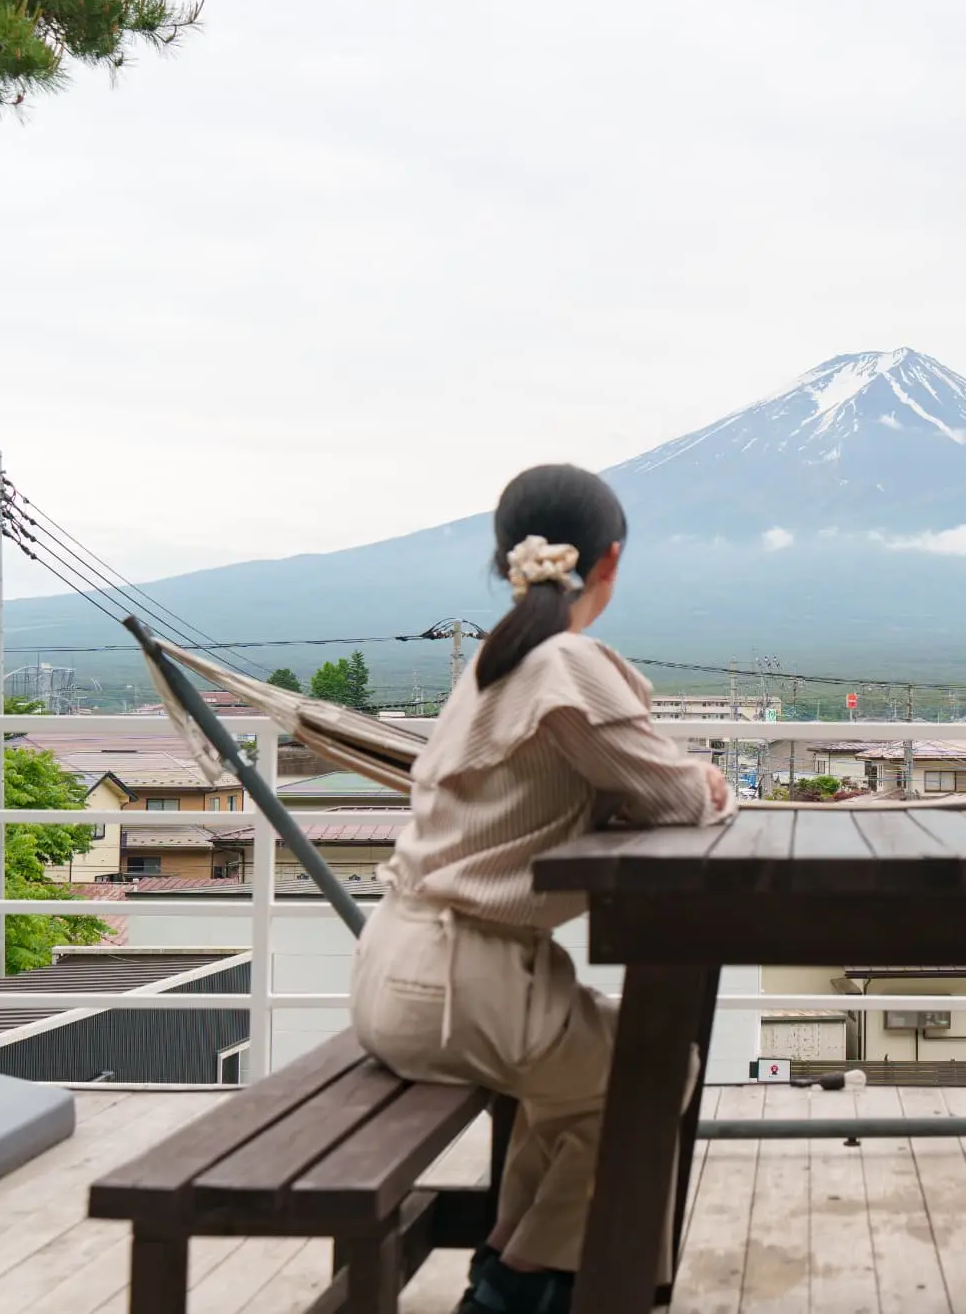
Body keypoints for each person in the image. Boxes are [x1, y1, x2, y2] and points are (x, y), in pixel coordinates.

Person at [349, 464, 732, 1314]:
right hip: (462, 981)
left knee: (593, 1076)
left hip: (399, 967)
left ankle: (510, 1274)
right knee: (650, 1069)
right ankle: (521, 1289)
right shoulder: (564, 662)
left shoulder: (497, 656)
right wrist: (714, 781)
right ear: (612, 562)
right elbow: (677, 795)